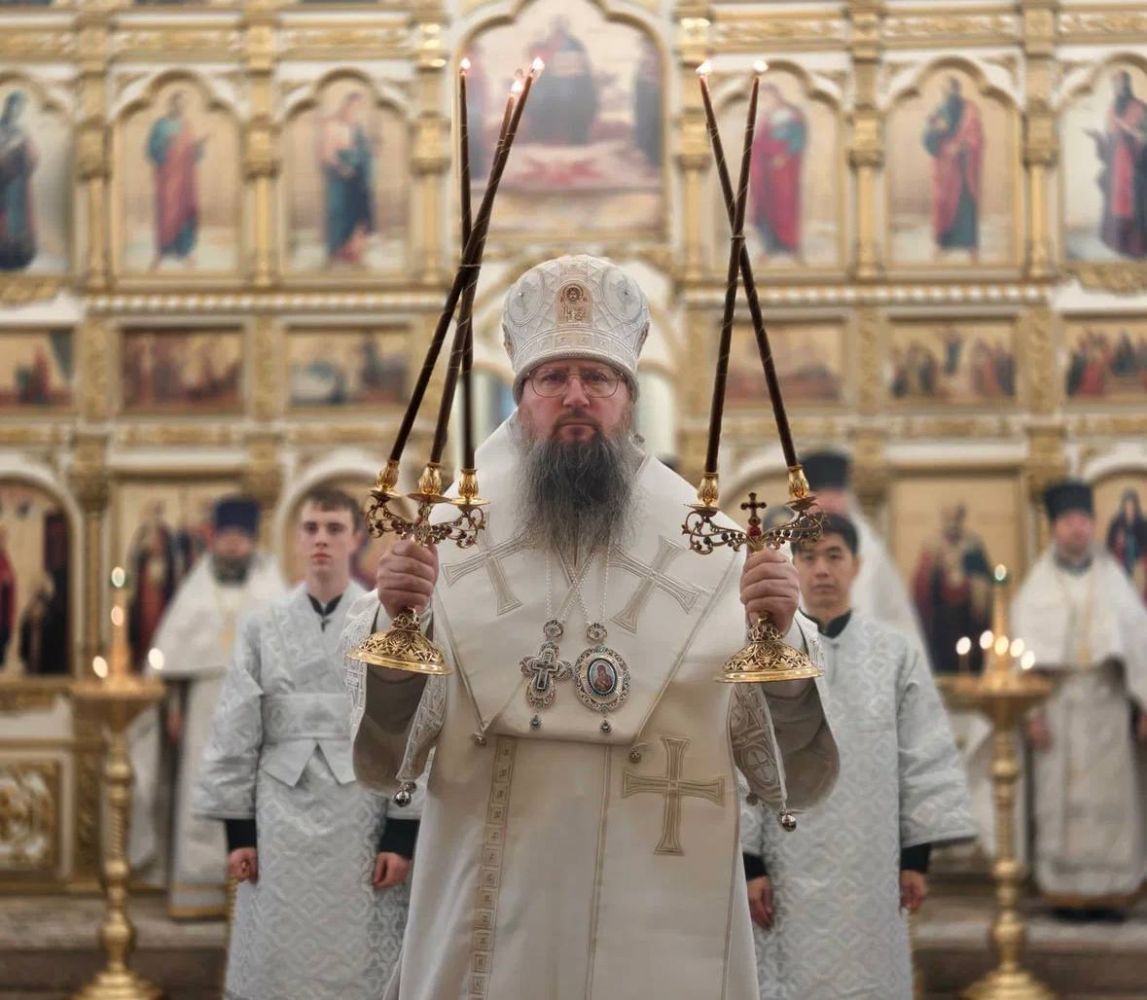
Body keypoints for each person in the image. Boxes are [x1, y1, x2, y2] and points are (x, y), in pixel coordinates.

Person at [344, 254, 839, 1000]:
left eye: (598, 378)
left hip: (658, 900)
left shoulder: (709, 547)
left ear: (630, 398)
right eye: (552, 378)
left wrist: (782, 636)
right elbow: (393, 759)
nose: (575, 396)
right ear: (520, 398)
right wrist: (394, 623)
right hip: (494, 899)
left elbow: (785, 774)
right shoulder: (444, 540)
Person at [194, 489, 417, 997]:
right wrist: (239, 833)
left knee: (358, 954)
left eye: (334, 529)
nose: (321, 540)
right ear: (296, 539)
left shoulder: (385, 622)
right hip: (278, 813)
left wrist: (401, 836)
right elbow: (236, 728)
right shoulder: (261, 624)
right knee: (278, 949)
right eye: (311, 528)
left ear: (356, 539)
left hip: (362, 811)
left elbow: (409, 727)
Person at [742, 514, 973, 999]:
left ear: (857, 565)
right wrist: (751, 862)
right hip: (788, 858)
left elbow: (923, 755)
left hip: (873, 860)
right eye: (808, 558)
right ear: (793, 567)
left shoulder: (895, 653)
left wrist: (916, 858)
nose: (822, 570)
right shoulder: (768, 653)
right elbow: (748, 753)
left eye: (834, 556)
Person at [129, 496, 285, 918]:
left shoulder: (272, 590)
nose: (233, 545)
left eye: (241, 537)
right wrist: (172, 709)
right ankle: (197, 890)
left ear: (252, 540)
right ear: (214, 539)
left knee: (253, 794)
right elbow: (169, 666)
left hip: (256, 707)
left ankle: (252, 894)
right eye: (226, 536)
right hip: (202, 706)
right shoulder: (194, 591)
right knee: (201, 791)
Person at [1014, 479, 1147, 920]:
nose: (1077, 528)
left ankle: (1112, 893)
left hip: (1108, 706)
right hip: (1058, 707)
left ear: (1093, 524)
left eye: (1084, 520)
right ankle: (1065, 893)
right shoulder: (1036, 587)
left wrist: (1144, 706)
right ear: (1054, 527)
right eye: (1069, 520)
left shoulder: (1114, 580)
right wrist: (1032, 713)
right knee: (1061, 802)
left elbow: (1140, 647)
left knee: (1114, 803)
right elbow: (1021, 659)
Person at [801, 450, 928, 658]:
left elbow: (898, 620)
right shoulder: (784, 549)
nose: (828, 502)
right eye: (820, 494)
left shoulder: (870, 551)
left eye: (835, 494)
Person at [1088, 70, 1147, 259]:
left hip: (1136, 165)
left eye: (1119, 84)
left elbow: (1144, 137)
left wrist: (1130, 131)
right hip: (1115, 164)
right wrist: (1098, 138)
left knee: (1134, 202)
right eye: (1113, 85)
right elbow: (1109, 140)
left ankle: (1136, 247)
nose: (1116, 88)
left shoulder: (1140, 108)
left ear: (1127, 85)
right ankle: (1116, 243)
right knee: (1114, 197)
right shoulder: (1112, 109)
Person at [923, 77, 983, 255]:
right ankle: (944, 244)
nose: (947, 93)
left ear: (957, 89)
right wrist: (936, 130)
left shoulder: (970, 110)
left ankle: (969, 244)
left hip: (964, 165)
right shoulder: (939, 110)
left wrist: (963, 146)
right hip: (945, 165)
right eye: (944, 89)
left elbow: (977, 136)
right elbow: (927, 136)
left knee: (965, 202)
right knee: (944, 202)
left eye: (950, 89)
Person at [146, 91, 206, 270]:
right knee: (166, 213)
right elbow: (151, 150)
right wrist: (166, 144)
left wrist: (199, 146)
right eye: (177, 103)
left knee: (184, 212)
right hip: (167, 178)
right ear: (171, 104)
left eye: (183, 105)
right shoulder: (160, 125)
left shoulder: (187, 125)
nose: (180, 107)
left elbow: (193, 154)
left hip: (185, 179)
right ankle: (162, 251)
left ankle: (184, 252)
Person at [749, 84, 806, 257]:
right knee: (767, 205)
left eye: (768, 98)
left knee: (784, 204)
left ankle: (788, 244)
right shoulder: (766, 118)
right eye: (763, 98)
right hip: (766, 169)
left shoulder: (792, 115)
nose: (766, 102)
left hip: (784, 170)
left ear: (777, 96)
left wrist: (784, 156)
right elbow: (759, 142)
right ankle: (770, 245)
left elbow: (798, 140)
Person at [320, 91, 376, 265]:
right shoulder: (332, 126)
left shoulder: (358, 128)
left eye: (359, 108)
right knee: (340, 213)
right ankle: (338, 250)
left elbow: (365, 152)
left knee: (359, 213)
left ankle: (354, 250)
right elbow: (327, 154)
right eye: (353, 107)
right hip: (340, 178)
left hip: (358, 178)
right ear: (345, 107)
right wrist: (342, 168)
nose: (355, 112)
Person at [0, 90, 38, 271]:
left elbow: (32, 155)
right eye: (15, 106)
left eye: (20, 108)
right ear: (8, 107)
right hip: (2, 181)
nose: (16, 111)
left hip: (17, 183)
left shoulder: (21, 132)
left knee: (16, 217)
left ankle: (16, 245)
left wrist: (28, 157)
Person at [1106, 487, 1147, 600]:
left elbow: (1145, 542)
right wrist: (1118, 540)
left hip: (1138, 556)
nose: (1129, 507)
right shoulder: (1116, 521)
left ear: (1136, 505)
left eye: (1132, 504)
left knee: (1130, 542)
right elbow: (1109, 542)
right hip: (1121, 556)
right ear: (1123, 505)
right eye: (1127, 504)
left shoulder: (1142, 521)